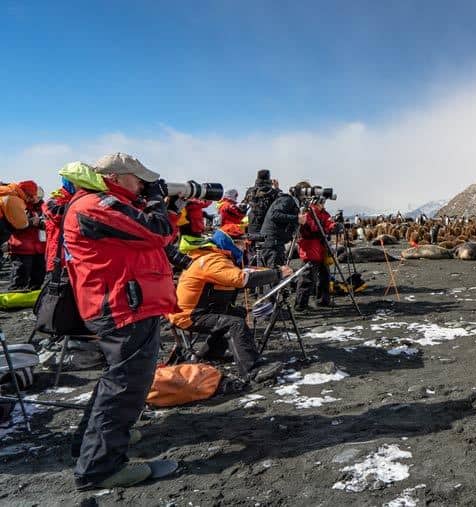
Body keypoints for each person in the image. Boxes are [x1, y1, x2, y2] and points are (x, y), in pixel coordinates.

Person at [64, 152, 178, 490]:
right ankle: (100, 468)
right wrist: (157, 201)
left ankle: (90, 443)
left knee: (118, 381)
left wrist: (160, 204)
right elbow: (156, 233)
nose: (143, 184)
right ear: (115, 177)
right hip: (121, 305)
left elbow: (147, 237)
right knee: (126, 387)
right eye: (137, 178)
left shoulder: (101, 203)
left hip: (123, 301)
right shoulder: (96, 205)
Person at [168, 224, 290, 382]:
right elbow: (241, 279)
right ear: (229, 243)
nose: (244, 246)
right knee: (235, 323)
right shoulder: (213, 260)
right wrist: (277, 273)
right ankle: (252, 371)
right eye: (239, 242)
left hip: (199, 309)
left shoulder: (216, 257)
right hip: (188, 315)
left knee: (236, 313)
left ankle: (212, 351)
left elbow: (241, 273)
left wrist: (271, 272)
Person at [295, 198, 337, 311]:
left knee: (325, 276)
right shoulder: (307, 212)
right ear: (315, 202)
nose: (323, 205)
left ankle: (323, 300)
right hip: (310, 248)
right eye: (321, 202)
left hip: (322, 248)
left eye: (323, 203)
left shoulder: (323, 213)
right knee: (307, 278)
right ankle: (301, 304)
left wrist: (334, 227)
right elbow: (310, 227)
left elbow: (329, 223)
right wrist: (323, 230)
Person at [257, 181, 302, 267]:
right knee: (275, 275)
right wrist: (297, 219)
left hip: (274, 242)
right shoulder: (287, 200)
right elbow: (275, 215)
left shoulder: (287, 200)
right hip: (273, 244)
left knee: (276, 274)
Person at [7, 199, 46, 290]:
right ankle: (14, 300)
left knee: (38, 279)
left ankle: (32, 301)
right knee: (19, 279)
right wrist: (29, 222)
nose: (34, 197)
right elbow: (10, 224)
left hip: (39, 248)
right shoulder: (17, 205)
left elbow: (50, 221)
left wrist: (42, 223)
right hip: (22, 249)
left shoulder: (44, 206)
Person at [0, 180, 41, 247]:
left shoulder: (8, 191)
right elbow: (21, 224)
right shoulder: (13, 198)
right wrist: (32, 221)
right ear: (29, 194)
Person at [242, 170, 279, 235]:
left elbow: (243, 205)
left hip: (253, 223)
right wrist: (277, 188)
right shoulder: (274, 192)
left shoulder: (250, 191)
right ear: (268, 178)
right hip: (268, 224)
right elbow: (280, 203)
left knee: (253, 242)